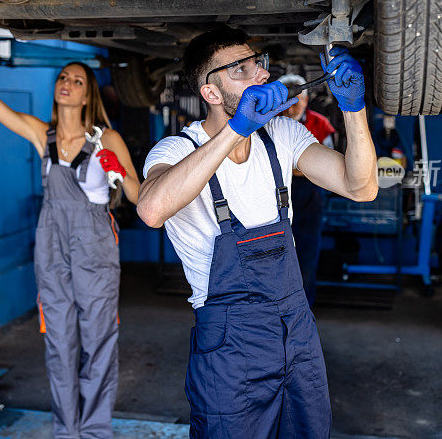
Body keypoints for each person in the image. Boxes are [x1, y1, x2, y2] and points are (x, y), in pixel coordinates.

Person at [137, 27, 377, 438]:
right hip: (231, 343)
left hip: (296, 328)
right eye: (241, 70)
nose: (260, 75)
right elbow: (152, 209)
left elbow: (362, 187)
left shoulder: (283, 135)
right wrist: (237, 129)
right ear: (211, 93)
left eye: (258, 64)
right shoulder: (174, 151)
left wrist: (353, 109)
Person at [0, 30, 140, 439]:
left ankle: (96, 431)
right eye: (63, 77)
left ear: (87, 96)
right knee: (60, 342)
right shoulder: (41, 134)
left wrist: (114, 167)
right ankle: (67, 432)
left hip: (95, 246)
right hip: (51, 246)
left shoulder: (107, 137)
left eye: (77, 80)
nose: (67, 84)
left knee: (98, 340)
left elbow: (139, 195)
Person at [280, 76, 337, 306]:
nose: (291, 107)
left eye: (297, 100)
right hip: (276, 194)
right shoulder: (269, 122)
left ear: (305, 100)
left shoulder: (320, 123)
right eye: (286, 101)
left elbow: (328, 163)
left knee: (306, 250)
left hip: (309, 195)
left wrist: (295, 170)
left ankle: (304, 306)